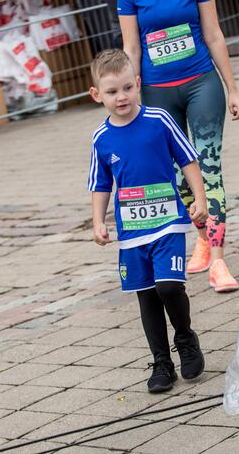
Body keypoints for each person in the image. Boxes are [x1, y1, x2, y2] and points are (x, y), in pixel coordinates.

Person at [87, 49, 206, 393]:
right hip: (132, 232)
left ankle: (185, 337)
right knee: (147, 295)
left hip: (168, 223)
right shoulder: (101, 138)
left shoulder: (159, 120)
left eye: (127, 88)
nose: (121, 97)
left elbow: (188, 159)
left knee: (169, 286)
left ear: (138, 84)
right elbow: (100, 183)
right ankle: (161, 362)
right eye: (111, 92)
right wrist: (98, 221)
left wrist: (199, 199)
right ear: (97, 95)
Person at [118, 0, 239, 293]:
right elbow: (131, 48)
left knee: (209, 170)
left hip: (202, 83)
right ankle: (203, 237)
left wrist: (233, 87)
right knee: (178, 176)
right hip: (156, 93)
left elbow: (213, 33)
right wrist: (128, 99)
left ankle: (218, 261)